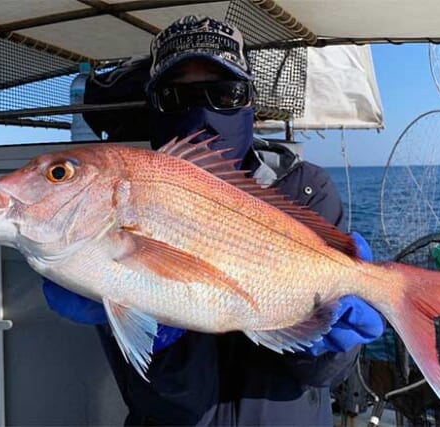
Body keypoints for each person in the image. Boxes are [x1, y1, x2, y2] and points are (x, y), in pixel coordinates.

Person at [43, 15, 385, 426]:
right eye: (174, 97)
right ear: (153, 108)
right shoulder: (127, 192)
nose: (202, 112)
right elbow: (170, 400)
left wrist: (328, 347)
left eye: (225, 93)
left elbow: (324, 377)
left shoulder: (305, 188)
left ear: (249, 102)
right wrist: (153, 330)